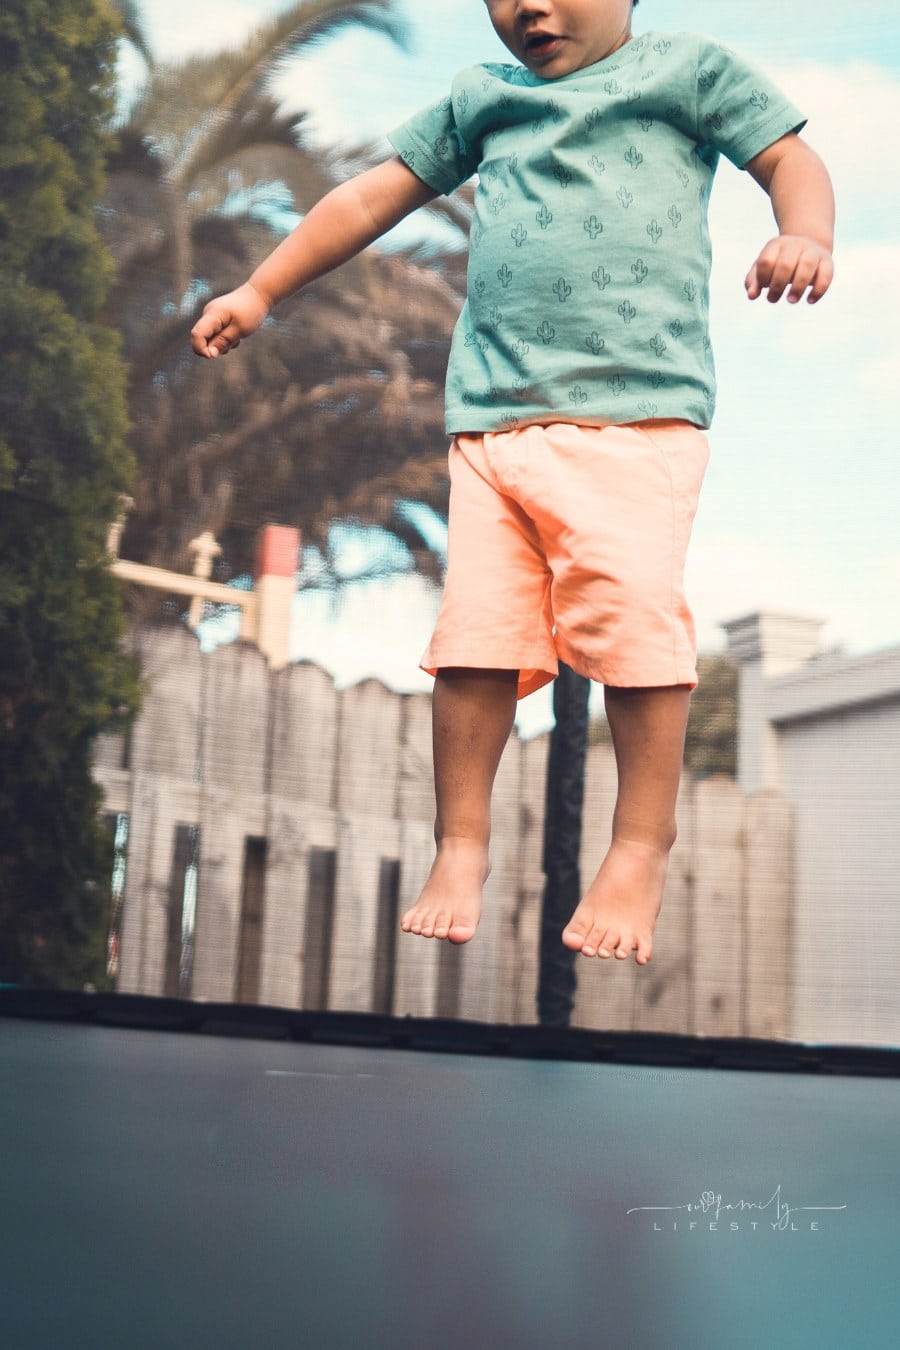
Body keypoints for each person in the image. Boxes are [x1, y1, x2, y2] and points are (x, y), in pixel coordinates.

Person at [191, 0, 835, 966]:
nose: (528, 5)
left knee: (632, 623)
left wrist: (808, 233)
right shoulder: (483, 98)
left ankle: (639, 843)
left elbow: (789, 158)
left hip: (636, 413)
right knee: (475, 642)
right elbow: (368, 199)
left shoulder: (687, 70)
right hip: (492, 417)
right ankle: (462, 842)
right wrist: (260, 288)